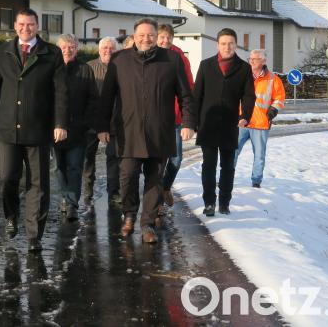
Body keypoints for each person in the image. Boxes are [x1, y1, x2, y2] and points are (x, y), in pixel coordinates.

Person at [96, 18, 195, 244]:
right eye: (141, 35)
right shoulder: (119, 60)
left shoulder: (172, 60)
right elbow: (106, 97)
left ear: (156, 36)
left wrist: (188, 123)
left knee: (155, 179)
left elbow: (185, 95)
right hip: (128, 131)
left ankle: (147, 224)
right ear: (134, 36)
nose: (146, 39)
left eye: (150, 35)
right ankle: (129, 215)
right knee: (127, 176)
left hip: (159, 131)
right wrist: (102, 127)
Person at [0, 8, 68, 253]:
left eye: (30, 24)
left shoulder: (51, 53)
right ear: (15, 26)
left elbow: (61, 92)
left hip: (38, 130)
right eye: (21, 24)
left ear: (37, 26)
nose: (25, 28)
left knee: (38, 184)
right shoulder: (2, 52)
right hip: (7, 130)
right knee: (7, 177)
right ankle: (11, 215)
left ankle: (33, 235)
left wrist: (60, 123)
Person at [193, 28, 255, 216]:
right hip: (208, 124)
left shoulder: (244, 68)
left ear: (236, 45)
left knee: (228, 167)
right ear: (217, 45)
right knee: (208, 165)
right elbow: (197, 95)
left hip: (230, 125)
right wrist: (193, 122)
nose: (227, 47)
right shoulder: (206, 65)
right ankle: (209, 203)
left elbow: (249, 96)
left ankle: (224, 203)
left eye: (230, 43)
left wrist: (245, 115)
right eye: (223, 43)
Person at [54, 34, 98, 222]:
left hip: (78, 129)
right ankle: (65, 196)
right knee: (58, 168)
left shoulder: (85, 69)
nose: (67, 50)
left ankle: (71, 203)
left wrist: (85, 122)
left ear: (77, 49)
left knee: (74, 167)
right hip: (54, 129)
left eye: (71, 46)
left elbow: (93, 98)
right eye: (64, 47)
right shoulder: (51, 68)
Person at [156, 24, 194, 212]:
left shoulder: (179, 57)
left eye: (168, 37)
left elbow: (189, 86)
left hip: (176, 117)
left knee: (176, 159)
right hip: (156, 117)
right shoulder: (150, 55)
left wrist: (189, 118)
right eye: (161, 37)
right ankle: (156, 203)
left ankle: (165, 187)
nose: (165, 41)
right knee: (157, 162)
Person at [82, 36, 121, 215]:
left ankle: (113, 193)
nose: (108, 51)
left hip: (114, 123)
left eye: (111, 48)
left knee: (113, 158)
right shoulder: (89, 67)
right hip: (91, 123)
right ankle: (87, 193)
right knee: (88, 159)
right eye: (105, 48)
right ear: (99, 50)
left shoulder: (121, 68)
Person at [235, 49, 285, 188]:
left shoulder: (273, 79)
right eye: (250, 59)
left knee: (259, 155)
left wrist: (273, 109)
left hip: (261, 123)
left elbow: (280, 98)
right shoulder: (242, 76)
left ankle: (256, 182)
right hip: (241, 122)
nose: (251, 61)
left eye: (255, 59)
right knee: (232, 151)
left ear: (263, 61)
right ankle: (226, 177)